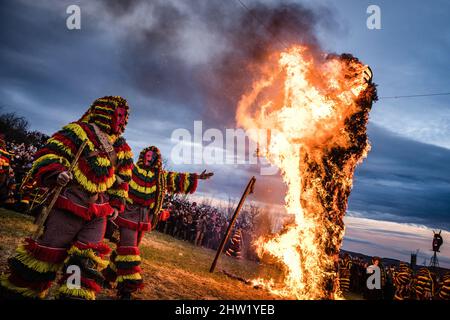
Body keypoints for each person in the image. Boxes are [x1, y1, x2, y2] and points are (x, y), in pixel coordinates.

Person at [0, 96, 133, 300]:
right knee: (48, 252)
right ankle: (24, 291)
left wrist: (116, 202)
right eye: (118, 114)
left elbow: (123, 178)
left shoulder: (122, 148)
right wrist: (58, 172)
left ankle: (73, 295)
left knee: (85, 259)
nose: (121, 119)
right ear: (105, 111)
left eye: (124, 116)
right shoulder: (78, 130)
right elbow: (49, 153)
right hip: (70, 200)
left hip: (99, 209)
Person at [103, 146, 213, 299]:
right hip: (128, 215)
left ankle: (108, 275)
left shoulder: (160, 177)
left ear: (156, 159)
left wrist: (197, 178)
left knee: (125, 249)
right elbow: (118, 171)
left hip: (145, 218)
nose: (149, 158)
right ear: (143, 156)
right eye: (147, 155)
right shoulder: (133, 170)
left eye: (152, 156)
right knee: (129, 251)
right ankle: (126, 289)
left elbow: (177, 178)